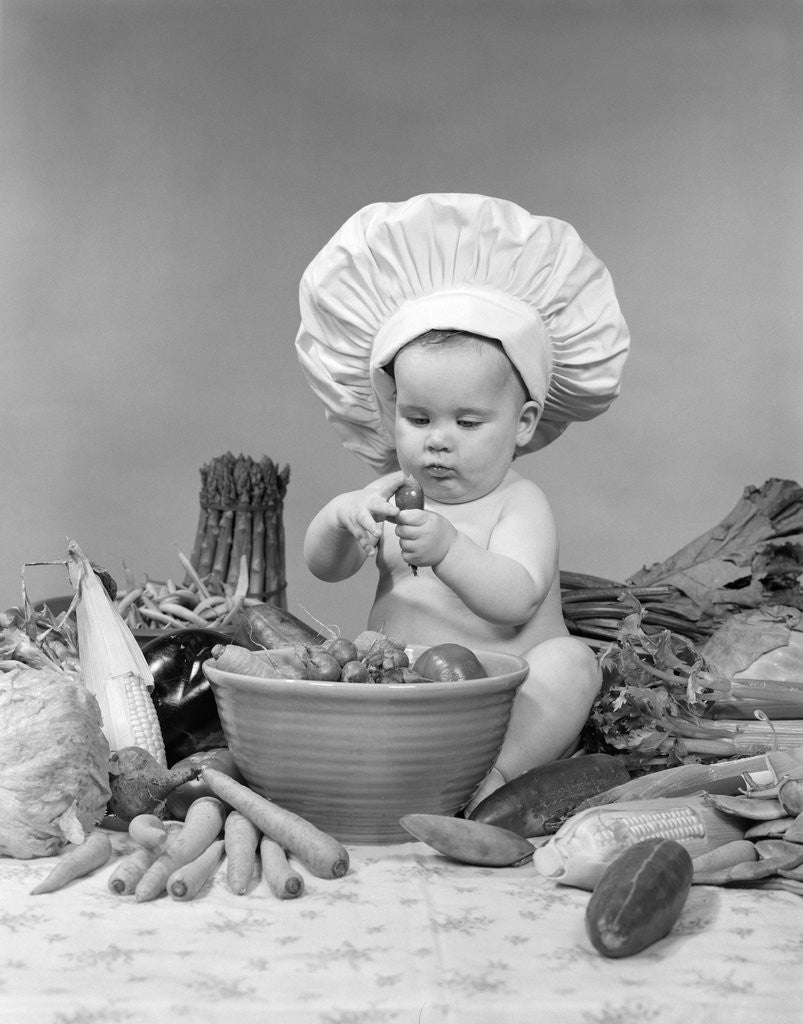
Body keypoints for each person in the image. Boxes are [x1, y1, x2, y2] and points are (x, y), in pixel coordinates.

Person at [295, 193, 630, 810]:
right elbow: (325, 568)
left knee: (572, 662)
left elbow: (515, 599)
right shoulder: (391, 496)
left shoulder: (519, 502)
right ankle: (377, 775)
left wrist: (450, 548)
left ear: (523, 422)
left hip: (507, 697)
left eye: (468, 422)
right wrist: (341, 519)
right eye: (417, 417)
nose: (438, 440)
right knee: (346, 663)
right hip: (404, 691)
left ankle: (498, 776)